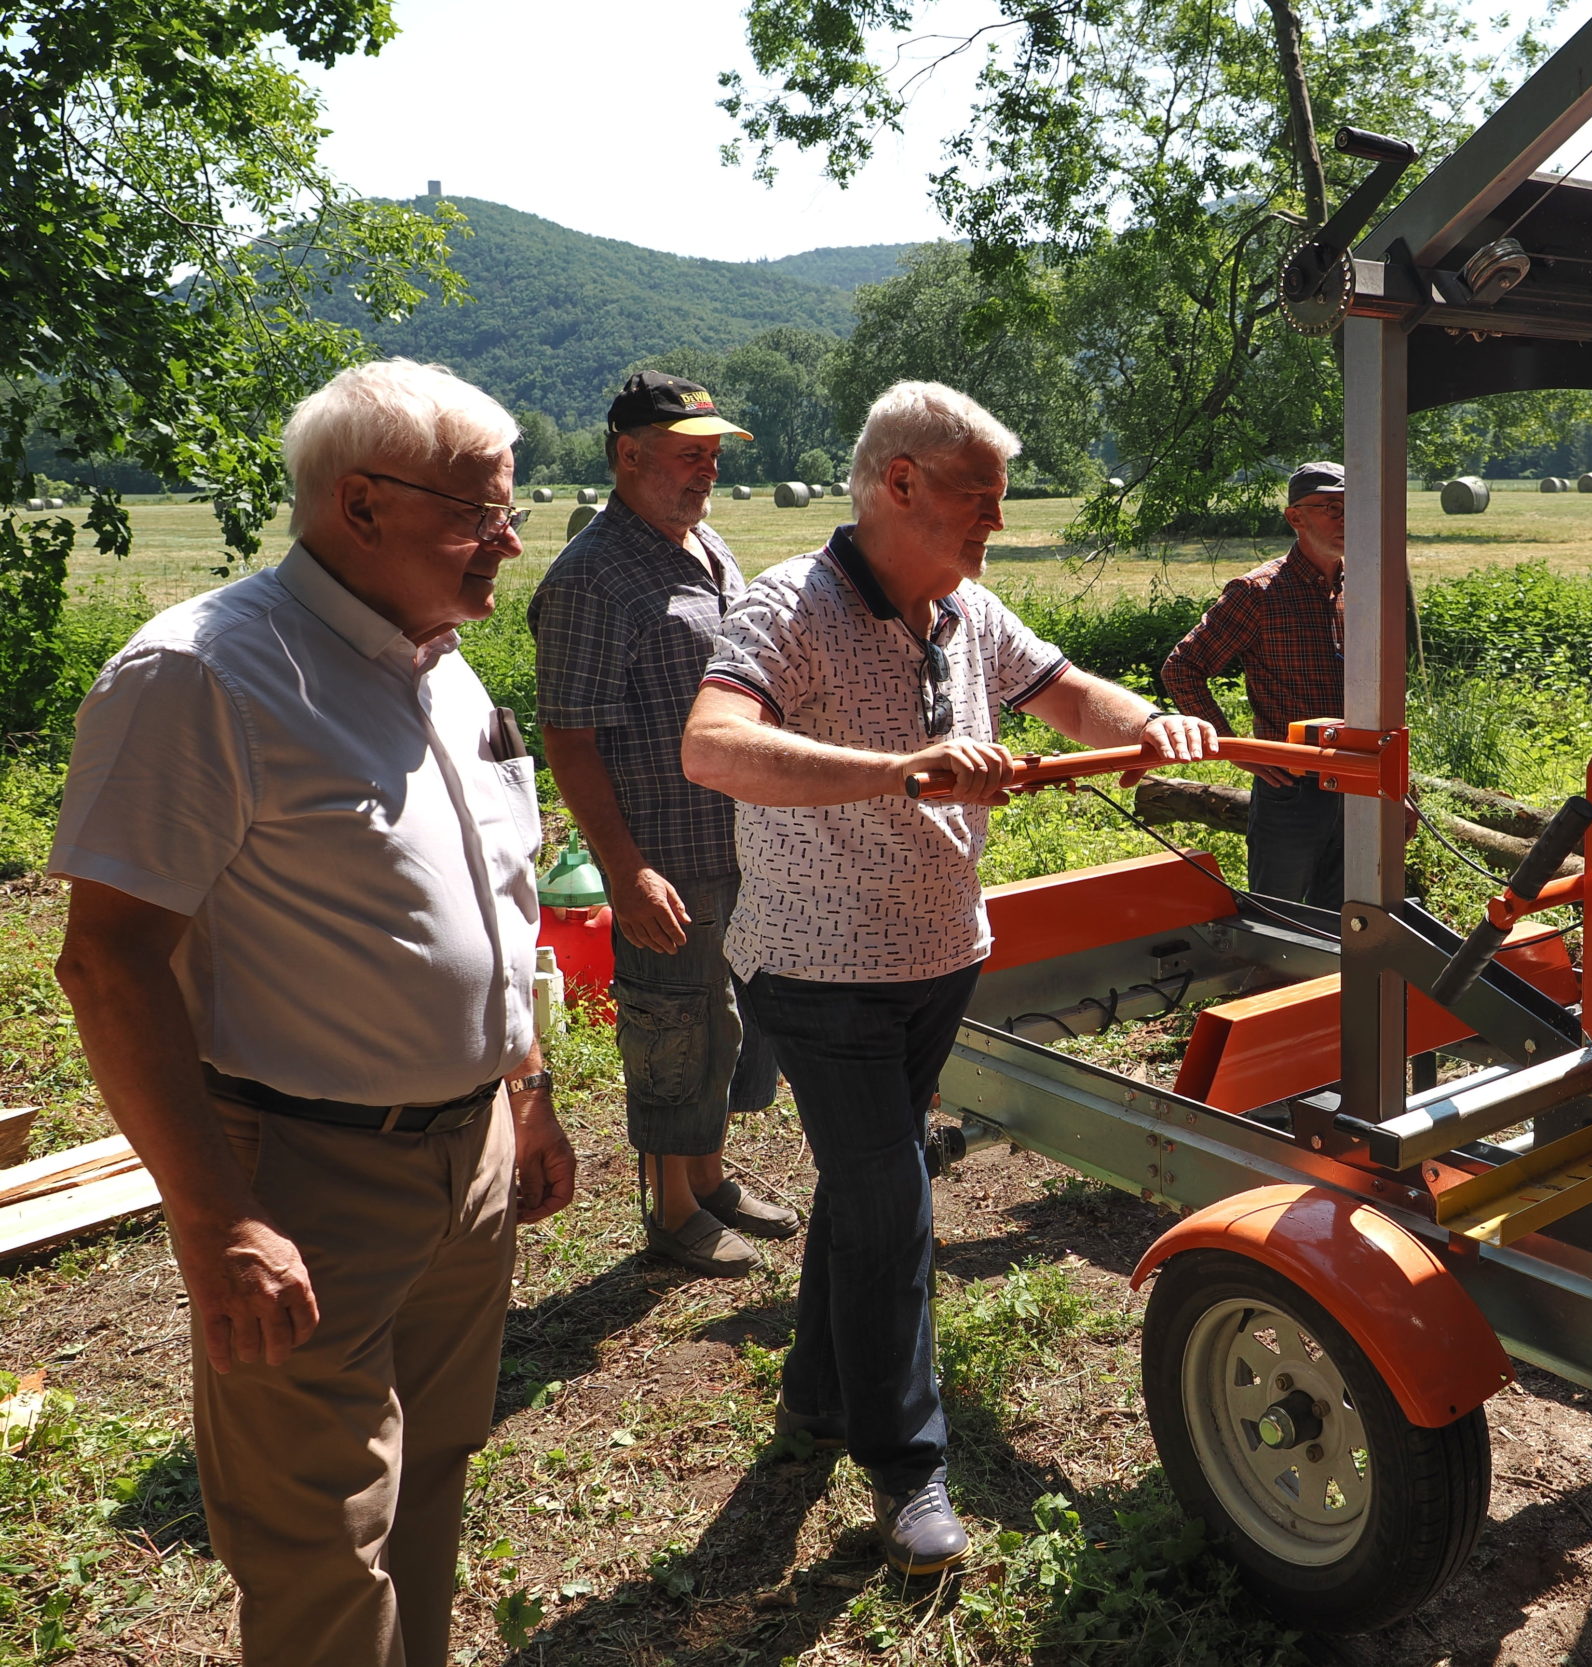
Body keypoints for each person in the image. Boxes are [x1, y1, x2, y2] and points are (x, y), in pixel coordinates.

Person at [49, 358, 578, 1667]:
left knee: (436, 1468)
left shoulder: (446, 670)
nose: (510, 540)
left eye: (509, 509)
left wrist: (526, 1090)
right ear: (361, 504)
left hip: (470, 1153)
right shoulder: (202, 675)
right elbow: (109, 961)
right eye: (480, 513)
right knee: (320, 1542)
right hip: (301, 1177)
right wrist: (217, 1215)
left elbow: (501, 902)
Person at [681, 381, 1218, 1574]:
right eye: (979, 496)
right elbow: (711, 746)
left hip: (939, 955)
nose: (997, 520)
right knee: (893, 1197)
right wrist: (900, 767)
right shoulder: (790, 604)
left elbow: (1066, 691)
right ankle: (906, 1466)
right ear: (900, 483)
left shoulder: (966, 608)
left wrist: (1148, 722)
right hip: (816, 967)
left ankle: (818, 1391)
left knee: (863, 1185)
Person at [531, 372, 798, 1276]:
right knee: (671, 1029)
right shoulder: (591, 578)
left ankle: (710, 1180)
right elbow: (569, 739)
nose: (708, 470)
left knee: (724, 1025)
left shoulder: (705, 544)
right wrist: (627, 870)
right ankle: (673, 1210)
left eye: (714, 455)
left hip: (737, 838)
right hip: (665, 853)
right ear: (628, 455)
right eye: (689, 455)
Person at [1160, 460, 1351, 908]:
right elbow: (1182, 668)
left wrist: (1399, 792)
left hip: (1361, 780)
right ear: (1295, 517)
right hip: (1292, 786)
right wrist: (1232, 747)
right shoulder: (1258, 592)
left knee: (1347, 918)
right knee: (1278, 917)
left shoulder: (1365, 584)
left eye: (1353, 507)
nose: (1346, 519)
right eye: (1331, 508)